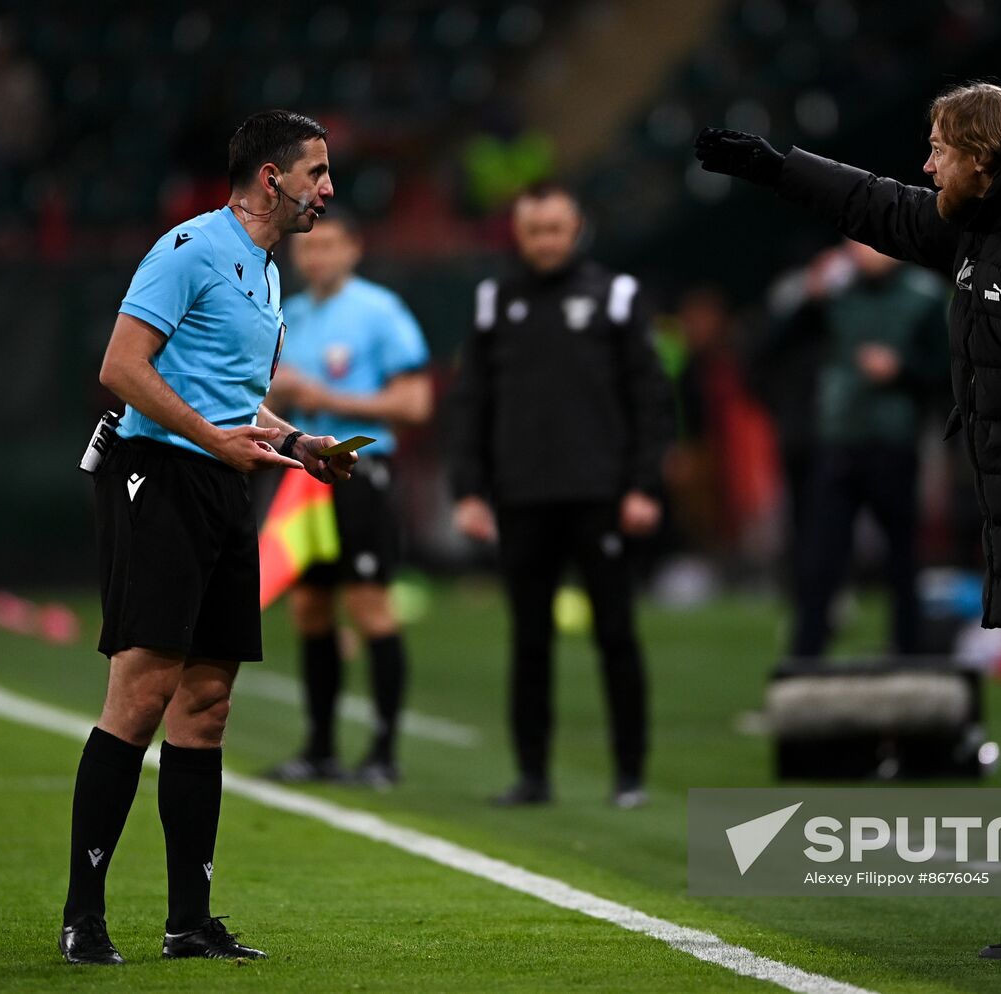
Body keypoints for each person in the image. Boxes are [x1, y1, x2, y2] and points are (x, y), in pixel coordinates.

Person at [696, 83, 1001, 961]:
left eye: (939, 150)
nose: (927, 165)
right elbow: (878, 206)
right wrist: (778, 170)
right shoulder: (988, 225)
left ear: (984, 158)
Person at [61, 110, 355, 966]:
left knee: (208, 704)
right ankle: (84, 917)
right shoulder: (189, 248)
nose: (328, 189)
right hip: (159, 477)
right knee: (143, 693)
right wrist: (211, 438)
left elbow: (227, 394)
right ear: (272, 177)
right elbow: (121, 367)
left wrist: (294, 443)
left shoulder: (265, 272)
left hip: (224, 480)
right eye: (317, 172)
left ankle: (189, 921)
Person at [449, 182, 674, 809]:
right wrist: (468, 489)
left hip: (600, 494)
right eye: (534, 231)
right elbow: (471, 402)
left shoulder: (616, 296)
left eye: (556, 229)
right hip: (522, 497)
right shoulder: (495, 300)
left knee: (616, 635)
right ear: (518, 235)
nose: (546, 241)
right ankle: (532, 776)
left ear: (577, 230)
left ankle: (629, 775)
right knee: (528, 639)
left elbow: (651, 399)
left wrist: (643, 484)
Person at [264, 213, 433, 788]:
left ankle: (383, 752)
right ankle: (319, 749)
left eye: (330, 246)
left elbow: (414, 406)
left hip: (360, 471)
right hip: (300, 476)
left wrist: (321, 395)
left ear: (355, 249)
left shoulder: (379, 311)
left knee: (369, 606)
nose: (316, 257)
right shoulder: (288, 312)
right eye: (308, 247)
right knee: (310, 609)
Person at [780, 240, 948, 659]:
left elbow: (948, 369)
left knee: (901, 556)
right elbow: (774, 346)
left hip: (893, 440)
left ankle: (909, 650)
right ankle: (805, 658)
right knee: (821, 557)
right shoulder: (835, 290)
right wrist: (808, 298)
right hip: (838, 438)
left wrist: (902, 368)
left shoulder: (924, 294)